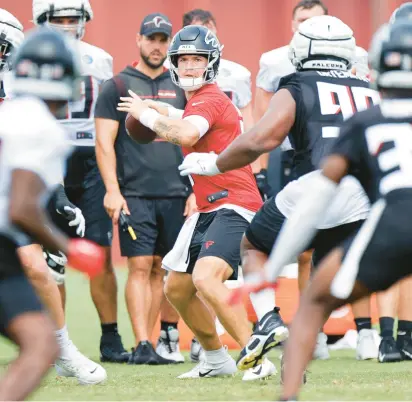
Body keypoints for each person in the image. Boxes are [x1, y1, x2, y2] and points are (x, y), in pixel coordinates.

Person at [178, 15, 381, 368]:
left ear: (302, 49)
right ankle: (350, 332)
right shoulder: (367, 88)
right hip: (368, 195)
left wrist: (214, 164)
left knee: (253, 243)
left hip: (323, 183)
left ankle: (268, 320)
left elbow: (262, 138)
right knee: (327, 262)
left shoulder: (297, 84)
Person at [254, 18, 412, 400]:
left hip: (395, 221)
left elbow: (317, 199)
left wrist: (273, 269)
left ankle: (288, 396)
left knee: (312, 303)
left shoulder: (362, 121)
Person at [117, 24, 279, 380]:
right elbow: (185, 118)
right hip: (209, 205)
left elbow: (188, 132)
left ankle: (257, 357)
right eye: (184, 59)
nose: (189, 66)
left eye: (197, 59)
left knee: (206, 279)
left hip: (233, 203)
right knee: (176, 288)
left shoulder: (208, 98)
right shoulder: (201, 100)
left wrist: (145, 114)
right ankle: (215, 358)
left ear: (211, 62)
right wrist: (157, 108)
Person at [0, 5, 107, 385]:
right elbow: (21, 209)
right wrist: (70, 246)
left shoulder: (16, 111)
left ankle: (64, 349)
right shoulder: (39, 125)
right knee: (38, 340)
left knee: (40, 338)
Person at [31, 0, 129, 363]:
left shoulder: (99, 58)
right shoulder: (31, 55)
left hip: (90, 159)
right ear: (44, 20)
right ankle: (59, 340)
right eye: (61, 19)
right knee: (51, 254)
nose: (69, 25)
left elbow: (110, 117)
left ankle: (110, 336)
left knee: (100, 253)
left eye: (74, 18)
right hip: (46, 159)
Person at [95, 12, 194, 365]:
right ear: (138, 40)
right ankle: (141, 343)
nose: (157, 46)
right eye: (151, 39)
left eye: (163, 40)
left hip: (179, 194)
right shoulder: (118, 86)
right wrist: (112, 190)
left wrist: (196, 190)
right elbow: (104, 143)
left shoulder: (182, 86)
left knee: (165, 269)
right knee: (140, 266)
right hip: (135, 192)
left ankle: (151, 343)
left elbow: (197, 138)